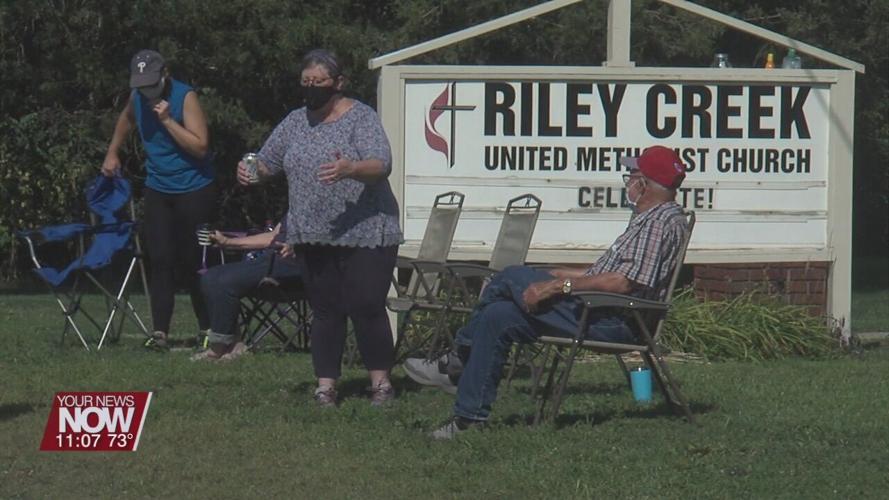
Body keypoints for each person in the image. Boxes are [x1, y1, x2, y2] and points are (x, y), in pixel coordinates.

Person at [403, 145, 690, 439]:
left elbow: (622, 283)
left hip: (613, 321)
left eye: (632, 174)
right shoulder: (655, 219)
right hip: (598, 308)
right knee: (498, 315)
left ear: (643, 184)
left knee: (510, 275)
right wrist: (559, 274)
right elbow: (607, 275)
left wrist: (558, 286)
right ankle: (468, 420)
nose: (627, 180)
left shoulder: (658, 223)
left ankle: (457, 359)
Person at [239, 49, 402, 407]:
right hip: (314, 232)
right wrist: (251, 169)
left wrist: (351, 169)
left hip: (367, 229)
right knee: (325, 309)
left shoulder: (361, 117)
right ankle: (326, 386)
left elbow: (382, 163)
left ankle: (381, 384)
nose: (311, 89)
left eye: (319, 83)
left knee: (366, 305)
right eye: (306, 83)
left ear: (338, 83)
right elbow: (267, 162)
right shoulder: (296, 121)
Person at [102, 49, 217, 349]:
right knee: (161, 258)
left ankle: (207, 327)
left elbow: (201, 147)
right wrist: (113, 151)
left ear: (165, 73)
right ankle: (159, 333)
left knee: (194, 259)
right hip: (159, 187)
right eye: (140, 83)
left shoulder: (185, 96)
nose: (146, 88)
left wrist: (167, 121)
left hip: (193, 186)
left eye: (151, 81)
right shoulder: (138, 96)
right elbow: (126, 119)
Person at [190, 222, 303, 362]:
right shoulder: (296, 205)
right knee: (211, 276)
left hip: (294, 267)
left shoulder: (317, 206)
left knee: (222, 281)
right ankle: (235, 344)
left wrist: (299, 246)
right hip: (269, 260)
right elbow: (273, 236)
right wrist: (227, 242)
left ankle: (218, 346)